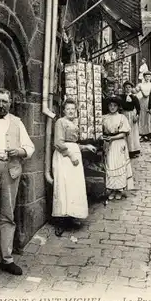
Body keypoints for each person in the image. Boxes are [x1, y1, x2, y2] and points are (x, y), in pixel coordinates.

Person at [0, 88, 35, 276]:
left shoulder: (17, 123)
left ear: (10, 102)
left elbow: (30, 147)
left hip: (10, 172)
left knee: (7, 215)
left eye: (4, 101)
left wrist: (19, 151)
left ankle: (7, 258)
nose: (1, 104)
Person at [52, 99, 96, 235]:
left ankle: (71, 216)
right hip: (64, 157)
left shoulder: (73, 124)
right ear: (64, 110)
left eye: (73, 109)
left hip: (74, 156)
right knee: (63, 186)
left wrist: (86, 146)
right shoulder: (60, 122)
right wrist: (71, 156)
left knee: (73, 187)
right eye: (68, 108)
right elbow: (58, 143)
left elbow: (74, 143)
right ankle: (60, 221)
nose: (71, 111)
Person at [103, 96, 134, 200]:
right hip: (109, 144)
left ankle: (119, 190)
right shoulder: (104, 117)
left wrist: (112, 138)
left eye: (114, 106)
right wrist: (105, 137)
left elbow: (124, 134)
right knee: (110, 165)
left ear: (118, 107)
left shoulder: (122, 117)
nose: (112, 107)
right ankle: (112, 189)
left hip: (119, 143)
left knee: (119, 164)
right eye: (110, 105)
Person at [120, 81, 141, 158]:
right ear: (124, 88)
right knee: (125, 131)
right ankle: (125, 150)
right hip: (124, 114)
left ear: (131, 88)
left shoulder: (134, 97)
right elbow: (120, 105)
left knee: (132, 132)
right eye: (126, 87)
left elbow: (138, 108)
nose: (128, 89)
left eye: (129, 87)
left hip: (132, 115)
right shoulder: (121, 97)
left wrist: (137, 116)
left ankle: (133, 150)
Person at [136, 71, 151, 141]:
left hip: (149, 102)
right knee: (142, 117)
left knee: (149, 117)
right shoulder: (141, 85)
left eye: (149, 77)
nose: (147, 78)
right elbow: (135, 91)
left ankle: (149, 134)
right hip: (142, 102)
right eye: (146, 76)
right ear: (144, 77)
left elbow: (150, 94)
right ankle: (143, 134)